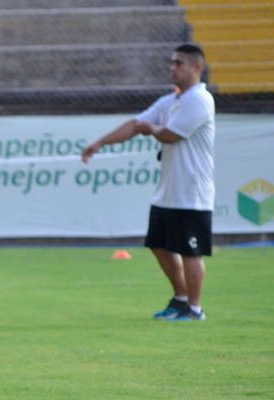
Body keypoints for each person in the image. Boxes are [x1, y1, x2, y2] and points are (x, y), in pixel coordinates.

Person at [82, 44, 214, 322]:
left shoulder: (199, 100)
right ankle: (180, 300)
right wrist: (100, 143)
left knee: (190, 251)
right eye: (172, 63)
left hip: (192, 191)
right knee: (159, 245)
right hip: (168, 191)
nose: (172, 68)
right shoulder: (173, 100)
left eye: (179, 63)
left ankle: (195, 309)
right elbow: (136, 123)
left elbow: (168, 135)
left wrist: (151, 129)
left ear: (196, 68)